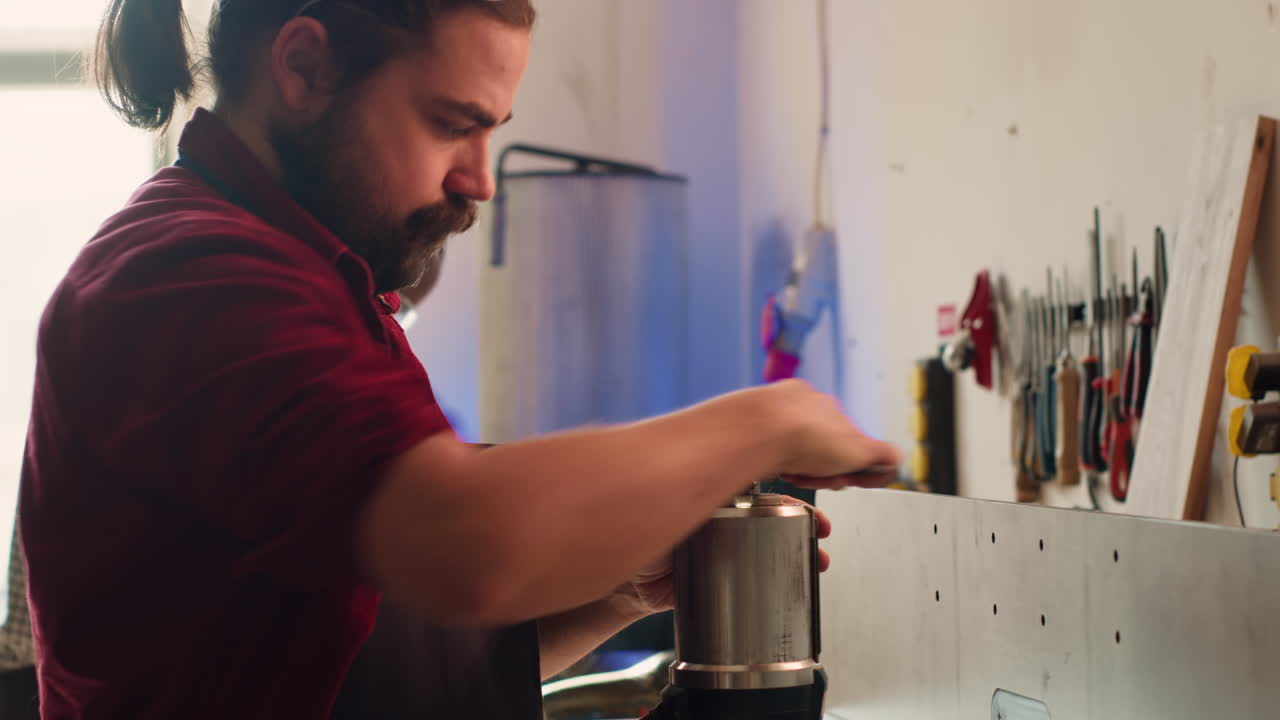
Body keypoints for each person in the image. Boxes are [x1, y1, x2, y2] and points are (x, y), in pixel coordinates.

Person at [18, 0, 900, 718]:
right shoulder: (191, 276)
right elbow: (464, 544)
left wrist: (622, 590)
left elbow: (394, 640)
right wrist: (766, 419)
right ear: (304, 68)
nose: (480, 177)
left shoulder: (322, 283)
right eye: (452, 124)